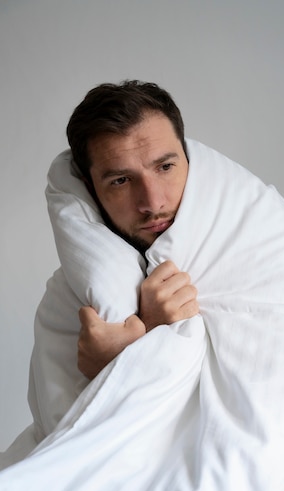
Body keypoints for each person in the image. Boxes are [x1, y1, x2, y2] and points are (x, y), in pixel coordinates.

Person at [66, 80, 200, 379]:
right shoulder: (68, 296)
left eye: (165, 167)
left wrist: (131, 354)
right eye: (121, 181)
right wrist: (146, 330)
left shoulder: (258, 244)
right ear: (91, 189)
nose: (153, 202)